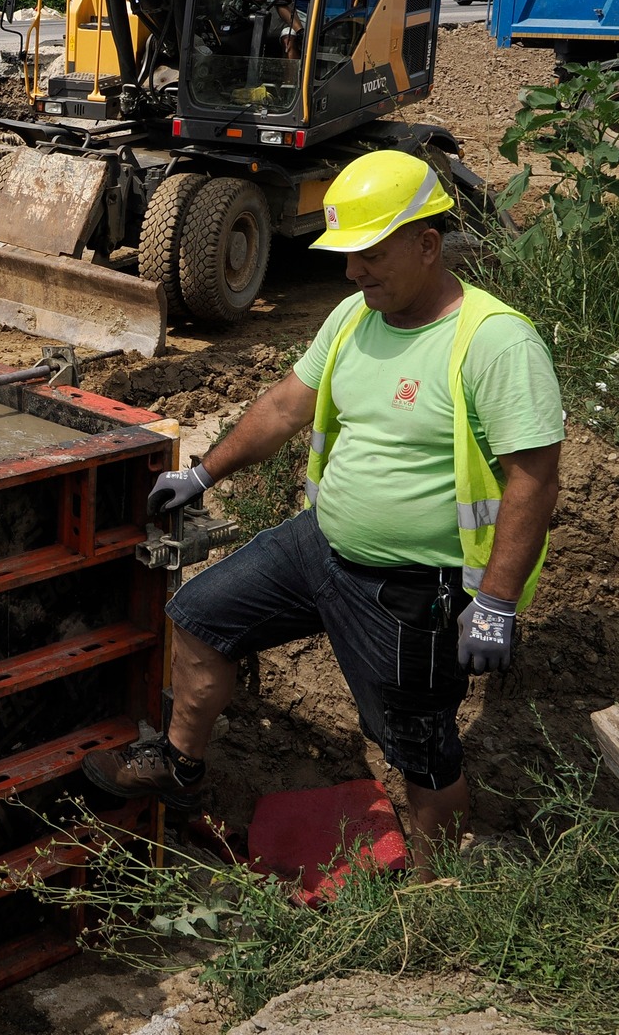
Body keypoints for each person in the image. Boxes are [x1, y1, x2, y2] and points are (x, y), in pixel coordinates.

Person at [85, 151, 564, 875]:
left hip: (412, 588)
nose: (351, 272)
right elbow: (285, 406)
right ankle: (180, 766)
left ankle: (432, 894)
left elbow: (535, 479)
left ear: (426, 244)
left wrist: (495, 602)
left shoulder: (495, 342)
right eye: (347, 255)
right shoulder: (353, 317)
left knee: (420, 750)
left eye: (369, 254)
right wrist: (204, 472)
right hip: (320, 546)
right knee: (202, 616)